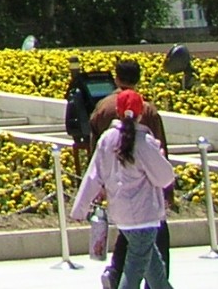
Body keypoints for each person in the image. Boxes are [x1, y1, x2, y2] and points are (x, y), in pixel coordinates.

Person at [73, 90, 176, 289]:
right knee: (134, 268)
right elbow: (165, 178)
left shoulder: (107, 139)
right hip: (145, 215)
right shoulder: (144, 141)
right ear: (141, 113)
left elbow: (93, 176)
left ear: (118, 111)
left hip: (121, 214)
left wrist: (80, 208)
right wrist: (160, 156)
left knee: (155, 271)